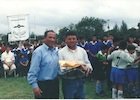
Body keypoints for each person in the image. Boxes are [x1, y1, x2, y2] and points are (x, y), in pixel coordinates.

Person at [59, 30, 92, 99]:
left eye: (74, 39)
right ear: (65, 40)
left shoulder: (82, 51)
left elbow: (87, 63)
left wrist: (88, 68)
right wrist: (72, 67)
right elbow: (60, 68)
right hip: (68, 82)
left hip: (81, 81)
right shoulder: (61, 52)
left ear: (77, 40)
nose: (72, 41)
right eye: (69, 39)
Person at [27, 30, 60, 99]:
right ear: (44, 39)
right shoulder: (38, 52)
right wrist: (34, 86)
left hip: (54, 84)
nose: (52, 40)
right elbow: (33, 70)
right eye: (50, 37)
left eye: (54, 38)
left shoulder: (56, 51)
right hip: (43, 85)